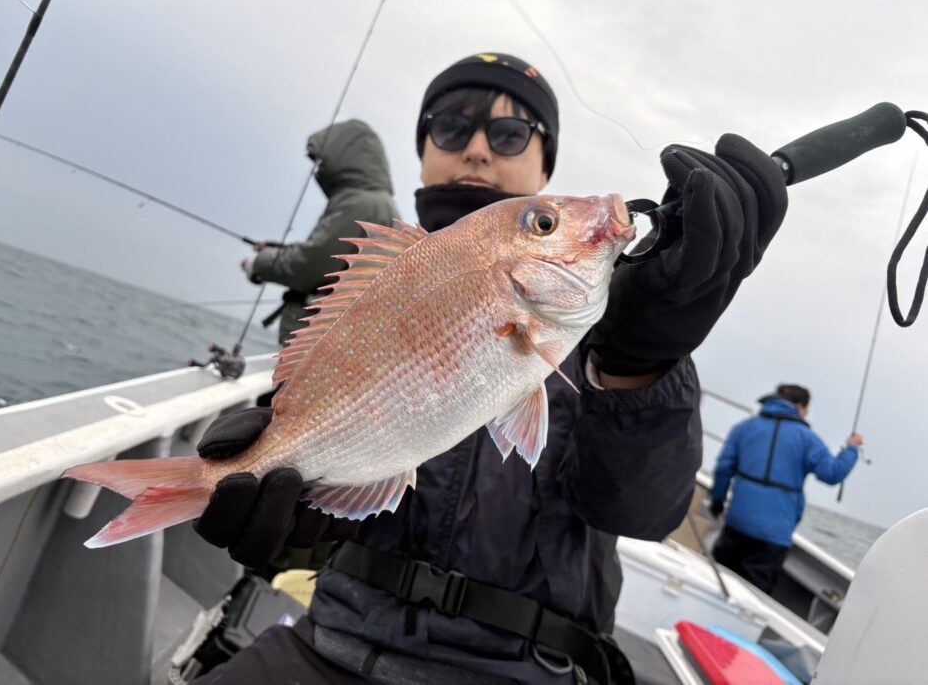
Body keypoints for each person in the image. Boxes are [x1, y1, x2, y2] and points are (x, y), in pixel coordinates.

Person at [192, 52, 789, 684]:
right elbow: (309, 525)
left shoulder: (608, 327)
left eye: (509, 134)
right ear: (423, 147)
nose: (477, 149)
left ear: (545, 162)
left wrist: (642, 363)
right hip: (331, 638)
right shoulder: (366, 294)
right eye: (451, 127)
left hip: (531, 668)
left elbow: (642, 512)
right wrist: (283, 518)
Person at [242, 119, 399, 345]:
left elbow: (313, 265)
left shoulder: (360, 203)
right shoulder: (375, 202)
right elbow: (334, 255)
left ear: (344, 156)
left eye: (321, 160)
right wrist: (276, 249)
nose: (318, 167)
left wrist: (258, 264)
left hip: (322, 344)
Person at [709, 384, 863, 594]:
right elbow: (832, 474)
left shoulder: (745, 427)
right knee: (751, 597)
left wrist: (717, 502)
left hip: (737, 522)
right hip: (773, 536)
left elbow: (723, 470)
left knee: (716, 583)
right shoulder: (808, 439)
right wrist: (852, 449)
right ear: (800, 407)